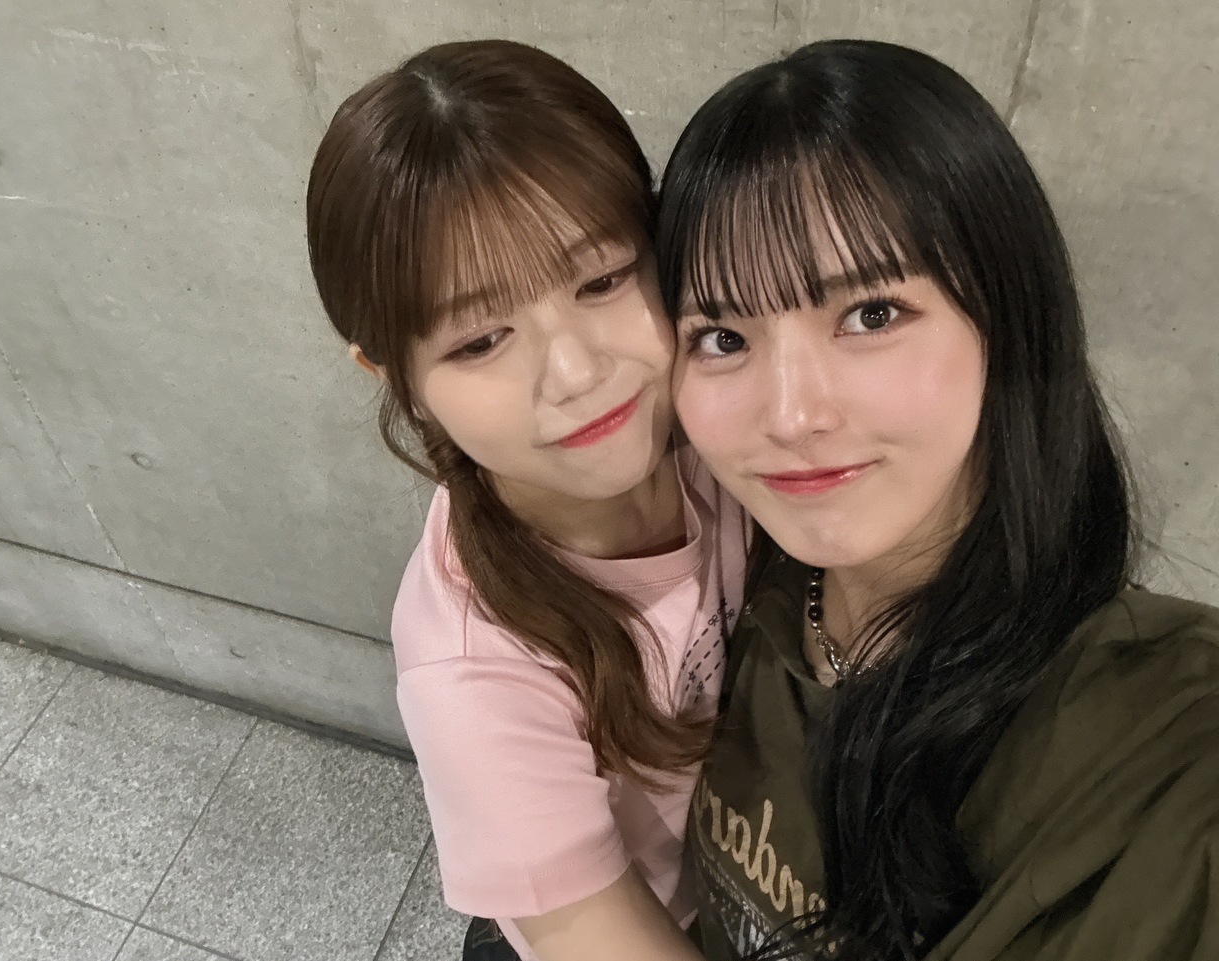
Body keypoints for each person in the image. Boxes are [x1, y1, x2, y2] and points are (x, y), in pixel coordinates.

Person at [655, 38, 1219, 961]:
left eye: (870, 314)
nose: (790, 416)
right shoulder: (732, 574)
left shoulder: (1161, 743)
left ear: (1008, 318)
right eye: (722, 336)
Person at [306, 40, 748, 961]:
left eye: (602, 280)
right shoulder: (472, 673)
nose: (578, 372)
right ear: (394, 374)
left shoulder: (727, 426)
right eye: (479, 341)